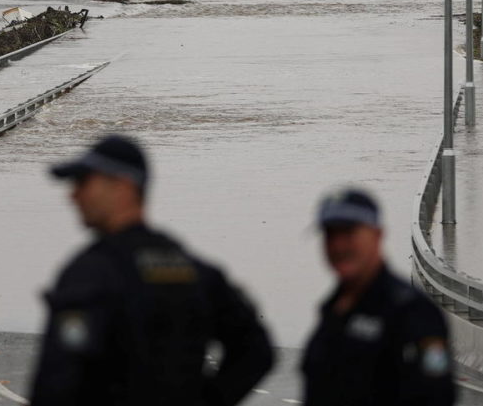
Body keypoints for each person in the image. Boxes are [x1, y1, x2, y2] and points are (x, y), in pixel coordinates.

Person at [30, 134, 274, 406]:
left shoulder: (92, 272)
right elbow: (256, 350)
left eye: (84, 183)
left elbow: (58, 378)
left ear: (122, 187)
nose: (73, 195)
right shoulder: (194, 270)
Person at [301, 188, 455, 406]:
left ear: (377, 234)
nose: (338, 245)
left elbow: (438, 395)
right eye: (330, 234)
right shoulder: (332, 308)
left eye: (348, 233)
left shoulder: (414, 312)